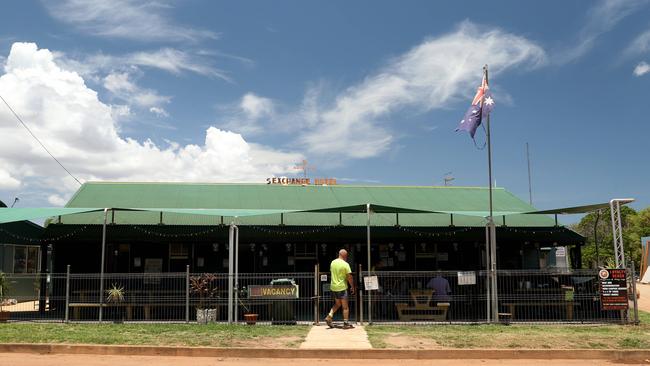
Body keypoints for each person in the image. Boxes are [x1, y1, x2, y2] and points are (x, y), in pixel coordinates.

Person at [325, 249, 356, 329]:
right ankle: (345, 323)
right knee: (345, 307)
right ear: (345, 256)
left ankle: (329, 315)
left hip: (333, 287)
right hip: (342, 287)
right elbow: (349, 277)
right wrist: (352, 286)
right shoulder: (345, 264)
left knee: (338, 304)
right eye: (347, 256)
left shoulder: (332, 262)